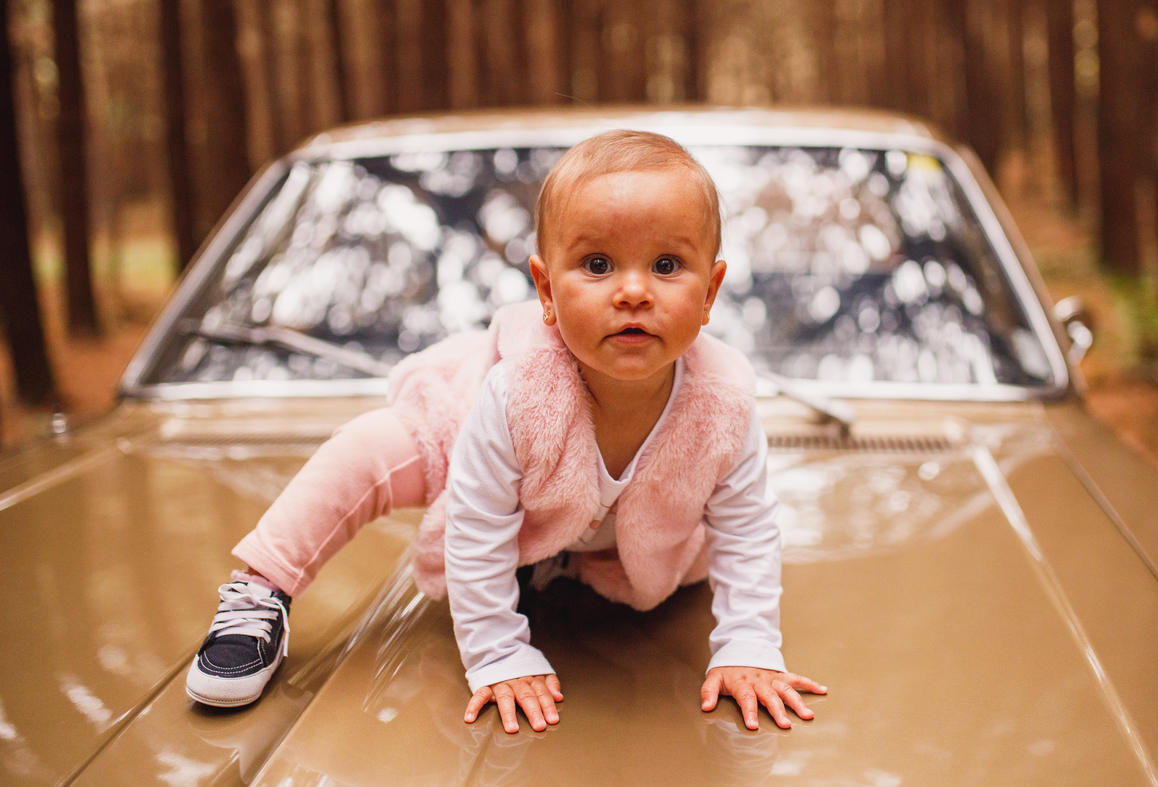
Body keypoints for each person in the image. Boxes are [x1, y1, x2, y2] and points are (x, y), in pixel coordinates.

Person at [186, 130, 826, 733]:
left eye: (666, 264)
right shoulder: (516, 393)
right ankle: (261, 589)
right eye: (598, 263)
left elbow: (746, 528)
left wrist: (748, 645)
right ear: (545, 289)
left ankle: (559, 562)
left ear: (711, 289)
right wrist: (498, 653)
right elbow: (476, 526)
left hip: (607, 537)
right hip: (466, 447)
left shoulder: (723, 403)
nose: (633, 291)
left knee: (696, 548)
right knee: (368, 449)